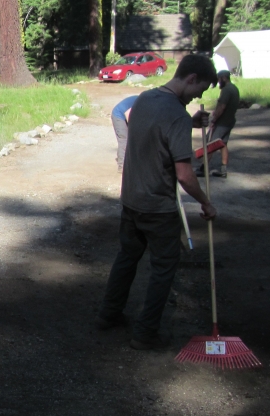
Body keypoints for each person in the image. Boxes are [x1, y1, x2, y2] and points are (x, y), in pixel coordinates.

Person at [96, 54, 218, 350]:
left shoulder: (146, 99)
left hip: (131, 199)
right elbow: (185, 175)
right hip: (158, 207)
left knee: (127, 257)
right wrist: (206, 202)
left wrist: (189, 121)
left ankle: (108, 315)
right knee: (164, 268)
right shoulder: (175, 115)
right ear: (190, 78)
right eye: (199, 90)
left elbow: (156, 128)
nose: (198, 96)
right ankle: (145, 333)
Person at [195, 70, 239, 178]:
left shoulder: (226, 90)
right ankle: (223, 170)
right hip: (229, 121)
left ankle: (203, 169)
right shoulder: (234, 88)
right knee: (223, 144)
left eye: (219, 80)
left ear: (224, 78)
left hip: (222, 123)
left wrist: (214, 119)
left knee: (211, 145)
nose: (218, 82)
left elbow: (221, 107)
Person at [111, 95, 138, 173]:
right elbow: (127, 114)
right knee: (124, 140)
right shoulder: (140, 102)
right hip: (119, 115)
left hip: (124, 115)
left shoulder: (146, 103)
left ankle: (129, 161)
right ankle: (121, 166)